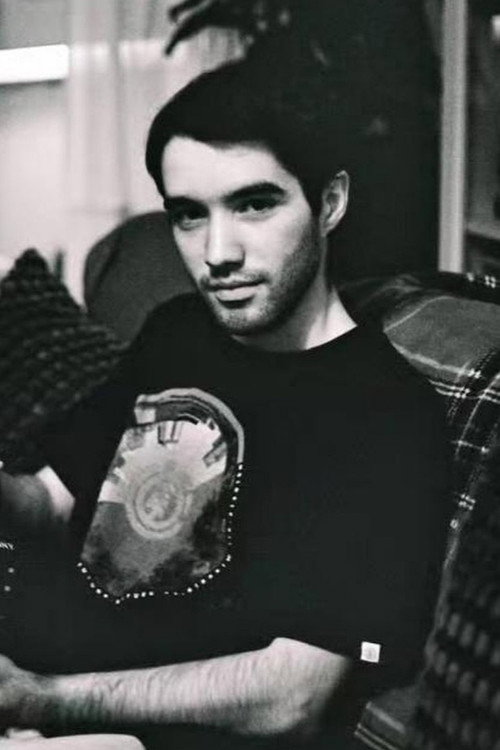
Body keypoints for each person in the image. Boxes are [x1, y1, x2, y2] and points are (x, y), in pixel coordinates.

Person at [0, 60, 451, 749]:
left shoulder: (385, 414)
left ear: (330, 203)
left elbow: (292, 696)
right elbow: (49, 500)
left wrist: (44, 700)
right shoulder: (176, 331)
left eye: (254, 204)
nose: (217, 253)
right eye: (189, 214)